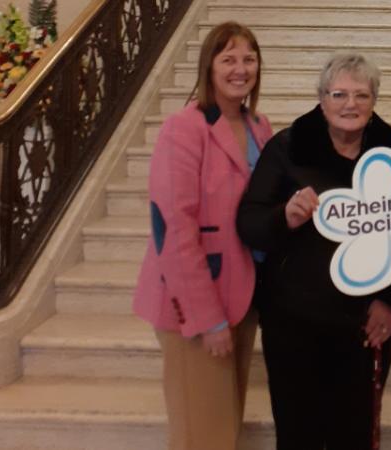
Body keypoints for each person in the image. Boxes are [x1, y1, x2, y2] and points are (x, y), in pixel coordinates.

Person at [236, 53, 391, 450]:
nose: (349, 104)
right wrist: (284, 217)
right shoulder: (287, 147)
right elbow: (248, 222)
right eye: (338, 94)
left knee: (353, 436)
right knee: (298, 434)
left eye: (361, 95)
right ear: (321, 100)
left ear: (374, 102)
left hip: (363, 327)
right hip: (292, 322)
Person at [132, 21, 272, 450]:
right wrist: (207, 317)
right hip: (196, 307)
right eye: (228, 58)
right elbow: (173, 230)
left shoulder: (259, 127)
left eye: (248, 59)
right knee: (202, 437)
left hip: (243, 299)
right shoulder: (184, 128)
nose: (239, 68)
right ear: (208, 67)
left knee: (223, 429)